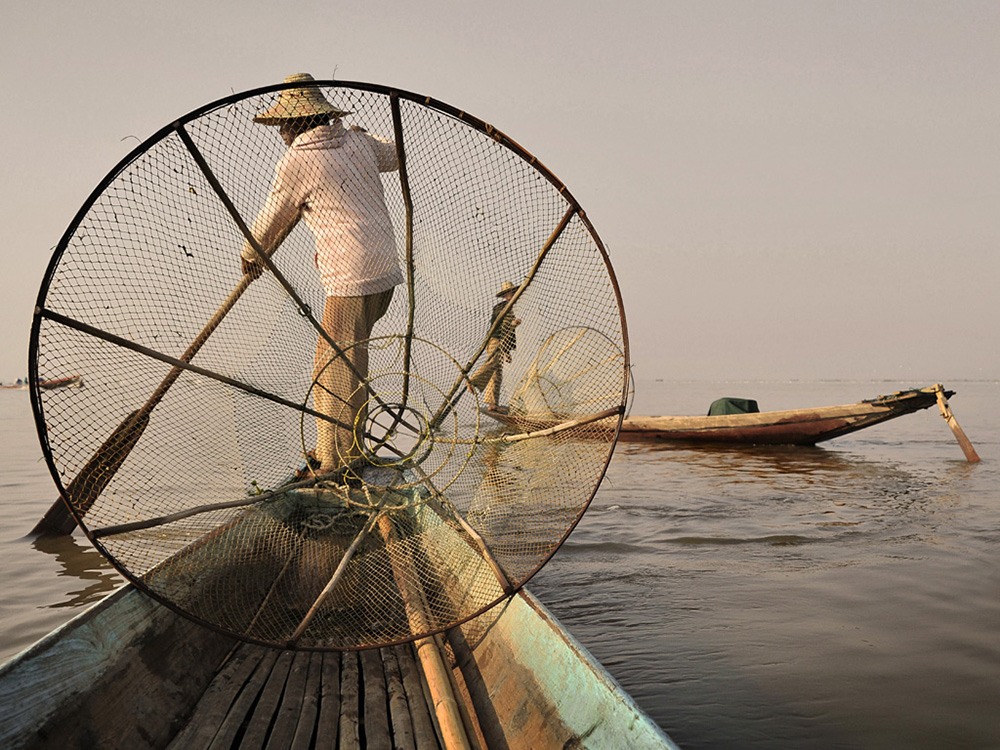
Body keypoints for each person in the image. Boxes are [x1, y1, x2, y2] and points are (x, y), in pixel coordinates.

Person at [243, 73, 403, 472]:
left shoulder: (297, 159)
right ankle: (343, 450)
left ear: (297, 123)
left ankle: (337, 460)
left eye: (283, 124)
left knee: (333, 368)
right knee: (349, 359)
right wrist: (361, 132)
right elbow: (395, 154)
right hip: (384, 273)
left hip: (351, 276)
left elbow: (272, 218)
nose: (280, 131)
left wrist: (250, 254)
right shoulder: (358, 142)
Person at [469, 281, 521, 413]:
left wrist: (506, 351)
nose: (512, 294)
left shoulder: (511, 306)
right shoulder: (503, 307)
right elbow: (503, 328)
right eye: (510, 292)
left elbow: (506, 332)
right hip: (495, 340)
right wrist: (513, 324)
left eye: (513, 292)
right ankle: (472, 381)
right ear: (505, 295)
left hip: (499, 341)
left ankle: (492, 404)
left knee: (497, 372)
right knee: (492, 363)